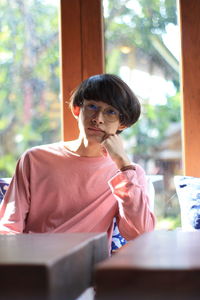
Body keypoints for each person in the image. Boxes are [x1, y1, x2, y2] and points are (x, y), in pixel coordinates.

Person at [0, 74, 155, 250]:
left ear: (122, 124)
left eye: (110, 112)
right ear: (77, 110)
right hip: (37, 263)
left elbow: (140, 233)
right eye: (92, 107)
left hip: (87, 267)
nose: (98, 118)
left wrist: (123, 164)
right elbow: (9, 226)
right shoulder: (34, 159)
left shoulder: (128, 173)